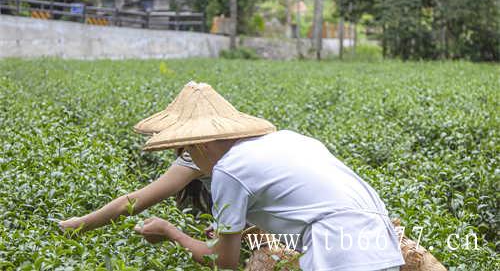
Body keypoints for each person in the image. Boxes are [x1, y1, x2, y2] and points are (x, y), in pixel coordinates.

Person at [62, 82, 405, 271]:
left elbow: (222, 263)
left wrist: (171, 233)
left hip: (341, 255)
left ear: (198, 143)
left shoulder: (229, 170)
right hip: (381, 244)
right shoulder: (288, 140)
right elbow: (299, 208)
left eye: (186, 148)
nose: (185, 156)